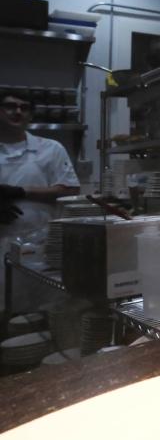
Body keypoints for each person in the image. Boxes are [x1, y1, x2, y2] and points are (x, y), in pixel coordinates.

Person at [1, 90, 80, 308]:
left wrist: (21, 192)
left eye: (24, 108)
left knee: (42, 312)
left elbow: (70, 189)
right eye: (10, 106)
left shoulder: (50, 149)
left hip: (41, 248)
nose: (17, 111)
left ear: (31, 116)